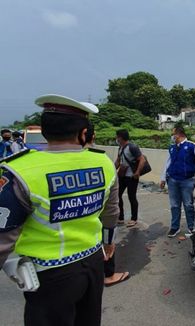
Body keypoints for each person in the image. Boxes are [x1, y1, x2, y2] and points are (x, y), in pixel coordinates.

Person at [0, 94, 120, 326]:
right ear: (84, 134)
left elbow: (3, 236)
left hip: (49, 274)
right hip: (93, 262)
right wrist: (108, 243)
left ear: (45, 131)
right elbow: (111, 213)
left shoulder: (20, 170)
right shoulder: (103, 162)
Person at [85, 122, 130, 287]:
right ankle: (108, 275)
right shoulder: (102, 162)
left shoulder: (32, 165)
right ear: (89, 135)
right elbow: (111, 210)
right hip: (96, 226)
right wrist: (109, 239)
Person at [160, 126, 195, 238]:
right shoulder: (172, 147)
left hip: (187, 181)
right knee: (174, 205)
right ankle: (174, 227)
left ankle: (192, 228)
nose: (172, 137)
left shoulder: (191, 146)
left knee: (188, 204)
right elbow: (168, 163)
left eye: (173, 134)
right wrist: (163, 178)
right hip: (173, 180)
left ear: (179, 135)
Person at [115, 129, 146, 227]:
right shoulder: (120, 148)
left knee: (131, 196)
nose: (116, 138)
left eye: (117, 136)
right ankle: (121, 217)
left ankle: (134, 218)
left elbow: (142, 159)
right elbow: (118, 161)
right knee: (117, 195)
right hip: (122, 176)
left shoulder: (132, 147)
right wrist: (112, 170)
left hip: (132, 176)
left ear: (120, 137)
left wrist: (137, 172)